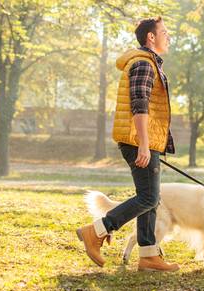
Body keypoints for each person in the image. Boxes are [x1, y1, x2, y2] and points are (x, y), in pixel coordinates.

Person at [76, 16, 179, 272]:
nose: (168, 36)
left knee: (151, 199)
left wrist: (154, 143)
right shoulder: (144, 63)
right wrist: (144, 144)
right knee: (149, 197)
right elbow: (139, 104)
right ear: (151, 37)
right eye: (164, 32)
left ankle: (148, 256)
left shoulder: (149, 63)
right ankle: (96, 230)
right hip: (138, 141)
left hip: (146, 141)